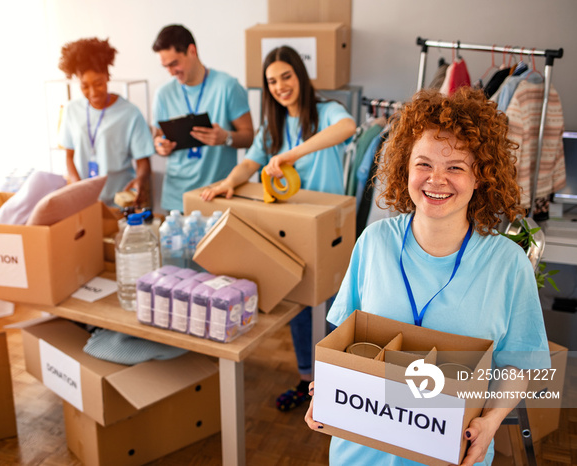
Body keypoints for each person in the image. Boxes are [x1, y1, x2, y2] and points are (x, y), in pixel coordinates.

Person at [305, 87, 551, 466]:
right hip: (360, 453)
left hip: (450, 455)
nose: (436, 179)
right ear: (405, 166)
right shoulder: (373, 243)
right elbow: (343, 343)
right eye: (424, 164)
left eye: (455, 167)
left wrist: (491, 421)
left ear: (481, 177)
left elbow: (518, 363)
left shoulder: (507, 264)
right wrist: (325, 391)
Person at [201, 45, 356, 411]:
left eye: (286, 76)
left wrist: (292, 153)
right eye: (272, 81)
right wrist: (229, 181)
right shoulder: (272, 124)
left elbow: (348, 127)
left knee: (335, 308)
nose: (280, 86)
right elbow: (250, 163)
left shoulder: (326, 111)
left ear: (300, 75)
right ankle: (308, 381)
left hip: (328, 230)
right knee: (301, 306)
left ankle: (339, 389)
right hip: (291, 227)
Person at [152, 24, 254, 212]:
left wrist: (226, 138)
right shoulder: (163, 94)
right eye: (165, 66)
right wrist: (160, 146)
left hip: (217, 195)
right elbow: (157, 139)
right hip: (177, 199)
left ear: (192, 51)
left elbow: (250, 137)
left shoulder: (227, 87)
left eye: (174, 64)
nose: (171, 72)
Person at [58, 37, 154, 208]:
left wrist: (140, 180)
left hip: (119, 201)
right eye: (85, 86)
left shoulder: (130, 113)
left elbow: (143, 161)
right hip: (85, 202)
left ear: (108, 76)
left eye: (98, 83)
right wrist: (78, 186)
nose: (93, 92)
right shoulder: (71, 110)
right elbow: (69, 155)